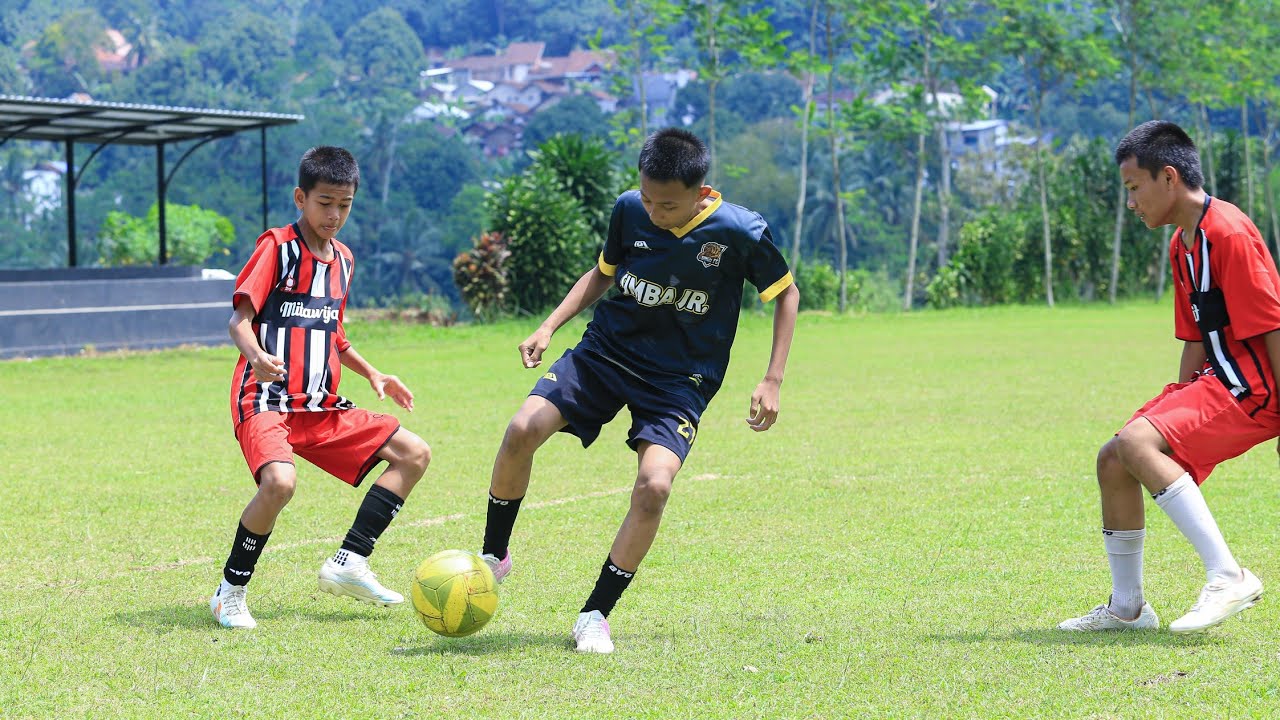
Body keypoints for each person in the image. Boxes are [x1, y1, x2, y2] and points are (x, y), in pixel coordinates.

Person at [476, 128, 800, 653]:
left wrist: (772, 377)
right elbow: (603, 273)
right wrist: (548, 326)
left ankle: (595, 615)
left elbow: (786, 295)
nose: (654, 212)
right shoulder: (629, 209)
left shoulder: (740, 230)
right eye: (647, 198)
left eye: (667, 205)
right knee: (520, 429)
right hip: (605, 353)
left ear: (701, 192)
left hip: (680, 378)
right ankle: (493, 557)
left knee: (655, 486)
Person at [1060, 120, 1276, 634]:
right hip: (1219, 382)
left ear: (1170, 178)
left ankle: (1229, 575)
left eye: (1134, 188)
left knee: (1137, 442)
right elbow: (1196, 338)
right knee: (1116, 457)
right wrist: (1176, 406)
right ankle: (1128, 608)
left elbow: (1273, 325)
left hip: (1255, 389)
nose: (1131, 203)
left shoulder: (1228, 232)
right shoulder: (1184, 243)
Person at [211, 146, 432, 630]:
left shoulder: (345, 261)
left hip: (320, 405)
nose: (334, 215)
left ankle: (350, 560)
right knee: (279, 483)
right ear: (300, 198)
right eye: (324, 202)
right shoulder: (277, 248)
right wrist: (257, 357)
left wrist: (373, 373)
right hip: (265, 399)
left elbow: (331, 332)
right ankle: (230, 593)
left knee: (413, 454)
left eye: (345, 204)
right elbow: (238, 321)